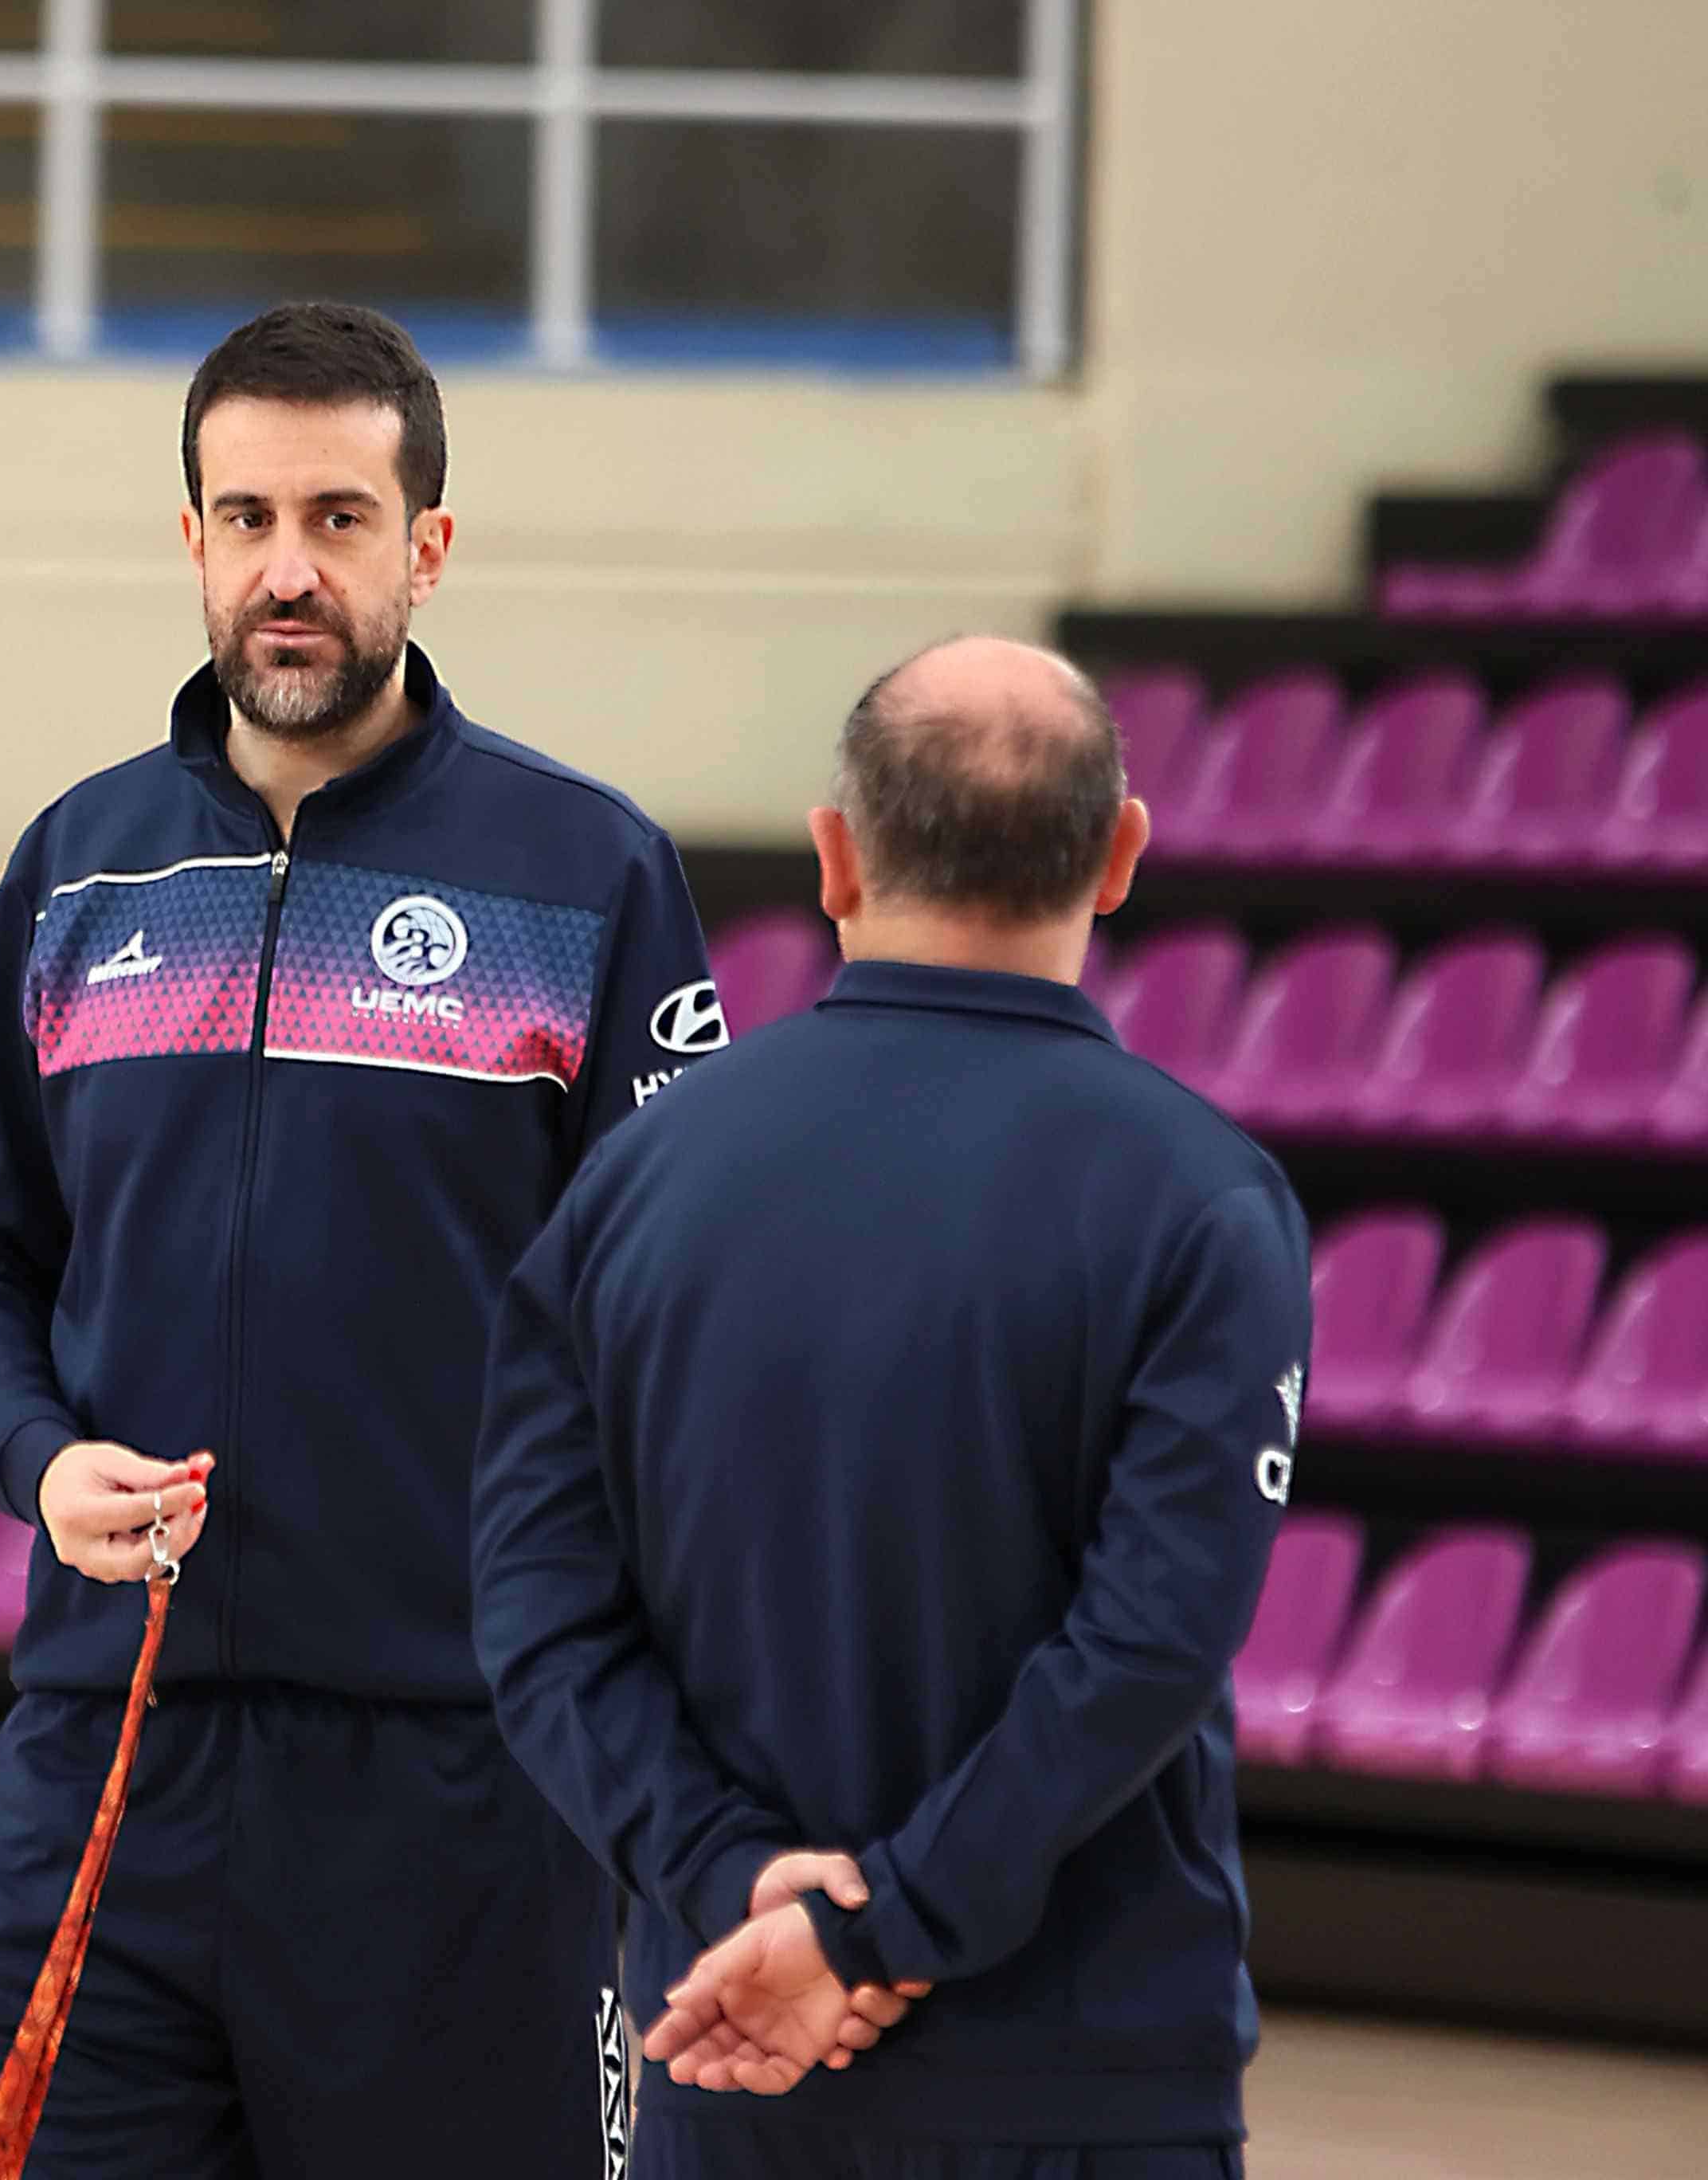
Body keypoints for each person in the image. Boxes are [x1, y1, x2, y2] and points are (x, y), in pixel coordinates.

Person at [0, 301, 742, 2177]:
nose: (291, 570)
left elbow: (685, 1320)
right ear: (190, 539)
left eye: (342, 520)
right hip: (104, 1774)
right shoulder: (77, 869)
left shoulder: (588, 874)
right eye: (249, 516)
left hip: (463, 1794)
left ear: (427, 548)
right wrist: (37, 1467)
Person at [474, 636, 1314, 2180]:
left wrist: (738, 1881)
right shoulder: (1206, 1201)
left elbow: (534, 1611)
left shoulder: (633, 1180)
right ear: (1121, 855)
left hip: (727, 2051)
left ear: (835, 856)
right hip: (1087, 2089)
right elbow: (1151, 1644)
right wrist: (875, 1927)